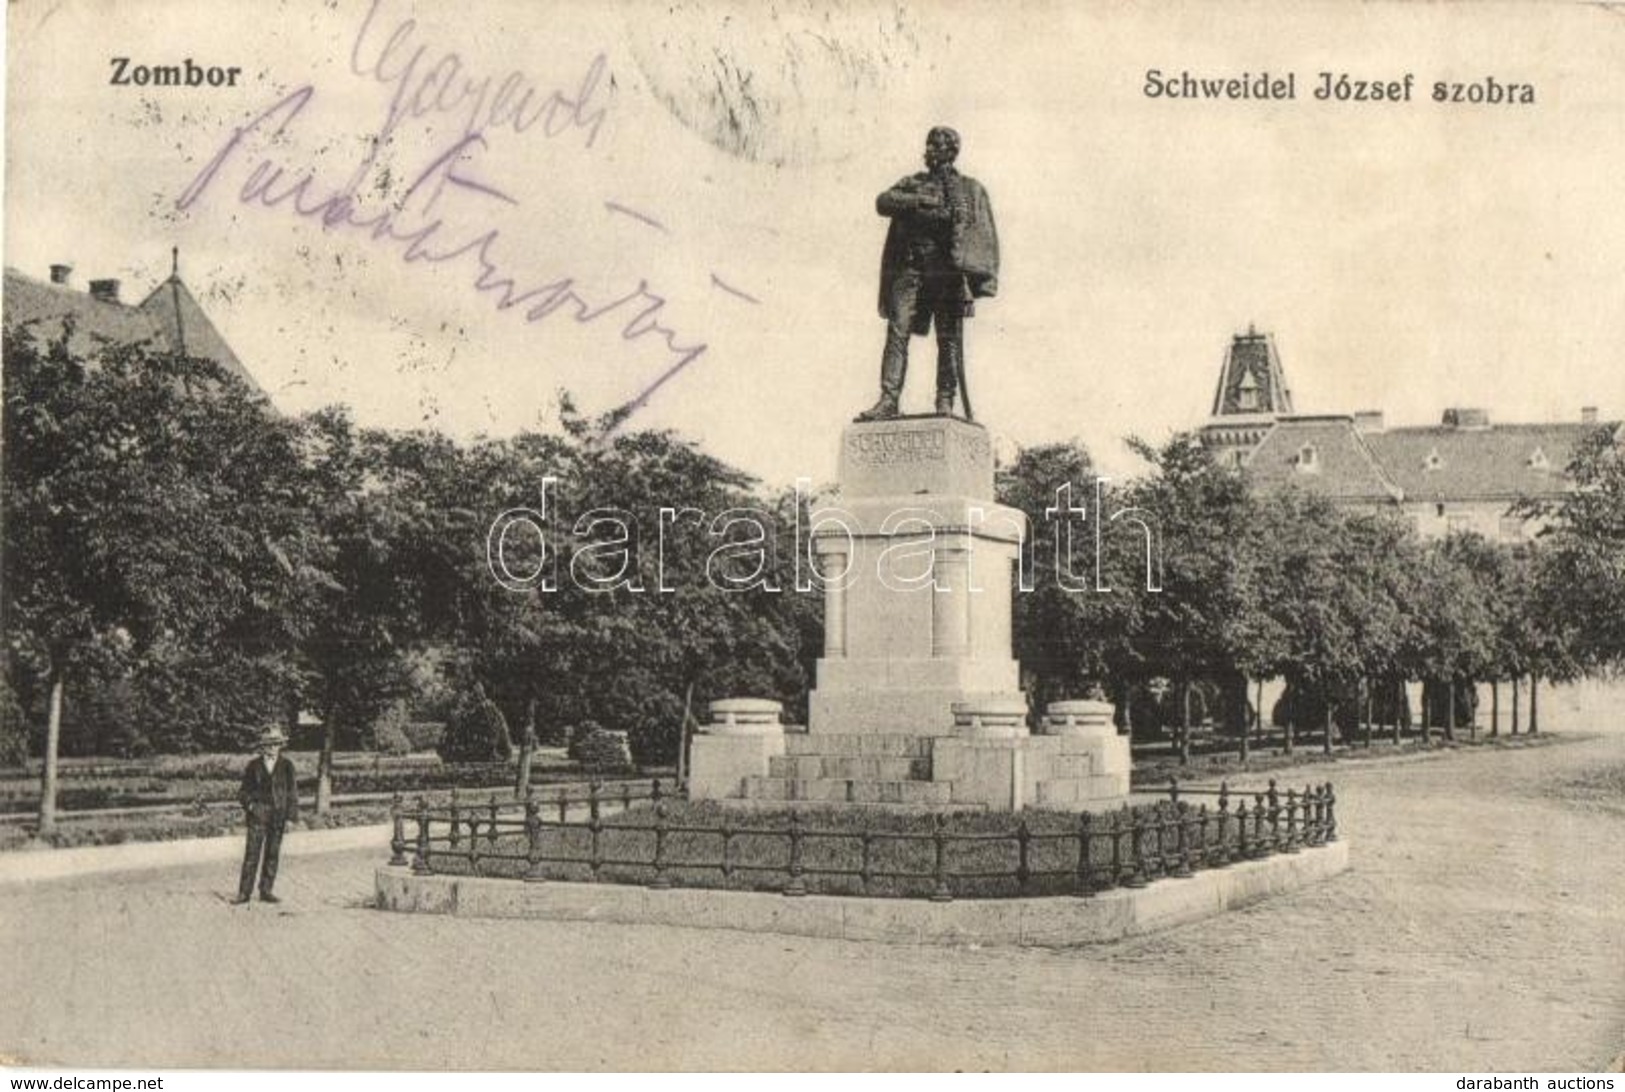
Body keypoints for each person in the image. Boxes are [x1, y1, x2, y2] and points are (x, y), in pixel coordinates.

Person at [857, 126, 999, 422]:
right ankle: (888, 399)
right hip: (910, 269)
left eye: (937, 145)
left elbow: (982, 235)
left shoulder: (969, 189)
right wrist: (918, 200)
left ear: (951, 151)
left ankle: (945, 400)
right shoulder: (913, 183)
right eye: (929, 144)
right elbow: (883, 201)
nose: (930, 150)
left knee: (948, 340)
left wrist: (973, 278)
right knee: (898, 331)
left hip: (947, 275)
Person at [234, 725, 299, 905]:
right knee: (252, 854)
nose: (272, 748)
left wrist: (290, 818)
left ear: (280, 745)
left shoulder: (287, 766)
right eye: (269, 744)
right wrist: (251, 806)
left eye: (276, 744)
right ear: (262, 746)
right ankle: (244, 893)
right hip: (258, 815)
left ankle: (266, 890)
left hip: (278, 815)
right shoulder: (253, 766)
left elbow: (292, 793)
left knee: (272, 853)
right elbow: (242, 792)